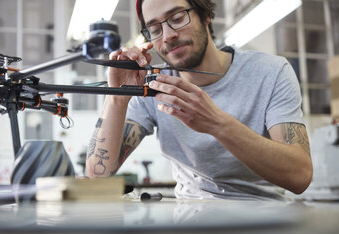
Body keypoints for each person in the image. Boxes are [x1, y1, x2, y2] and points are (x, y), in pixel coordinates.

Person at [85, 0, 313, 200]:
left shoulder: (270, 71)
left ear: (206, 14)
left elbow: (299, 176)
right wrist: (118, 97)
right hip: (191, 219)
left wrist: (216, 123)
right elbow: (97, 174)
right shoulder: (153, 84)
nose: (168, 36)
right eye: (154, 29)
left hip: (264, 218)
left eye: (177, 18)